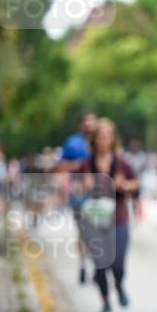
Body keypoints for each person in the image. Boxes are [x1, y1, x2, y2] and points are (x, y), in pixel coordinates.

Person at [76, 118, 138, 312]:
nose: (104, 139)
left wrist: (124, 185)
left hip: (118, 218)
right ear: (94, 139)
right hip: (95, 221)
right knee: (101, 264)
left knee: (118, 264)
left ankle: (119, 285)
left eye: (108, 136)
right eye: (101, 136)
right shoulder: (86, 164)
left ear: (113, 139)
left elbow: (135, 185)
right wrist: (82, 185)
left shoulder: (122, 163)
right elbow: (74, 189)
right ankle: (105, 303)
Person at [57, 112, 97, 283]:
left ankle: (97, 266)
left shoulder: (101, 141)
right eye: (87, 122)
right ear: (81, 124)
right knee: (83, 232)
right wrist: (79, 165)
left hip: (98, 194)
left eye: (93, 122)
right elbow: (61, 166)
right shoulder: (72, 143)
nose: (90, 126)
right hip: (79, 194)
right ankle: (83, 264)